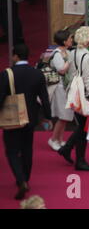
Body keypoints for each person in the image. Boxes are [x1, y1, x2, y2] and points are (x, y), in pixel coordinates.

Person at [0, 44, 52, 200]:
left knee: (11, 151)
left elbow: (1, 97)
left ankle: (21, 180)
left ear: (15, 56)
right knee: (27, 148)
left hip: (12, 118)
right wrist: (48, 117)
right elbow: (44, 98)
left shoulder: (6, 74)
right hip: (30, 118)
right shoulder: (37, 74)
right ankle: (25, 178)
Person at [58, 26, 89, 171]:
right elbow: (88, 79)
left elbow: (68, 72)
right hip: (85, 96)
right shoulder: (86, 56)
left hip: (76, 94)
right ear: (88, 40)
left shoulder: (73, 52)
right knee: (83, 129)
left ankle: (68, 149)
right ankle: (80, 160)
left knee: (82, 126)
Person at [48, 30, 74, 151]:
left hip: (67, 87)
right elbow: (61, 70)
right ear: (64, 41)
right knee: (63, 115)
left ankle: (59, 139)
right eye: (70, 38)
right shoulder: (57, 53)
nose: (71, 40)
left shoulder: (67, 52)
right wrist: (70, 60)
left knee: (65, 116)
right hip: (59, 87)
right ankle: (53, 139)